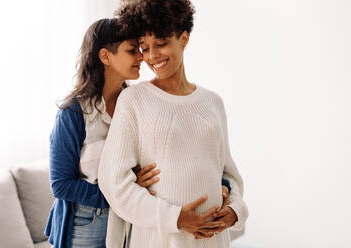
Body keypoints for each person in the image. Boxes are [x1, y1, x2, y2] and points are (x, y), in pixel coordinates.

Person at [44, 17, 232, 248]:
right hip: (86, 221)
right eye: (134, 50)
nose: (143, 57)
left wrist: (223, 187)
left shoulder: (136, 103)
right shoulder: (73, 114)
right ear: (105, 57)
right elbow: (61, 184)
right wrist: (121, 191)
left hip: (127, 221)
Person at [97, 0, 248, 247]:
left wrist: (235, 210)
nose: (152, 56)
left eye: (161, 44)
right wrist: (175, 218)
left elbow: (228, 176)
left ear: (184, 39)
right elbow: (114, 182)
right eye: (144, 48)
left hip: (212, 240)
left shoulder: (213, 102)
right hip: (160, 239)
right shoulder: (135, 100)